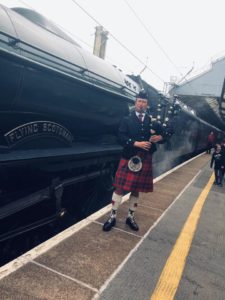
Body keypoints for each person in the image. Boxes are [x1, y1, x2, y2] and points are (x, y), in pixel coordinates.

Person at [103, 90, 165, 232]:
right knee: (119, 187)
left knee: (136, 189)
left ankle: (130, 217)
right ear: (135, 102)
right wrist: (135, 143)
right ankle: (112, 216)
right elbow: (120, 137)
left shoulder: (152, 121)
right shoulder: (127, 119)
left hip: (145, 158)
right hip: (129, 156)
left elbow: (167, 133)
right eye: (139, 101)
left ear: (146, 104)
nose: (141, 104)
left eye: (144, 102)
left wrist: (160, 138)